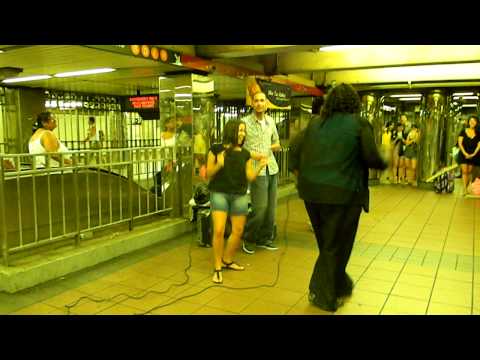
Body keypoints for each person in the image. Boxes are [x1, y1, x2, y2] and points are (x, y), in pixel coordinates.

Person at [288, 83, 387, 312]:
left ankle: (340, 284)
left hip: (312, 194)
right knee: (337, 246)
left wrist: (302, 175)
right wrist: (385, 161)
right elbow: (371, 157)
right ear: (354, 103)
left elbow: (293, 150)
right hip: (344, 195)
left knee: (327, 245)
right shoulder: (359, 124)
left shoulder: (314, 124)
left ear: (330, 102)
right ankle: (324, 295)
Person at [207, 119, 267, 283]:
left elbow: (249, 177)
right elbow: (208, 173)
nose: (243, 133)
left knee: (238, 231)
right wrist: (219, 164)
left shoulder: (245, 153)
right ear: (231, 130)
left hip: (239, 194)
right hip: (219, 193)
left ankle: (227, 260)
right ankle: (217, 267)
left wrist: (260, 166)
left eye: (244, 130)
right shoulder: (216, 149)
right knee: (219, 230)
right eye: (240, 130)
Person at [241, 91, 281, 254]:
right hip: (257, 170)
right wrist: (254, 155)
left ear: (266, 103)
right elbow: (240, 147)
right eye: (256, 100)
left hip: (272, 167)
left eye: (262, 100)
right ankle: (249, 238)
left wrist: (269, 148)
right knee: (260, 208)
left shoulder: (271, 121)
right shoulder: (244, 122)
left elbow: (277, 143)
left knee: (271, 208)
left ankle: (265, 238)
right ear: (252, 103)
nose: (259, 103)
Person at [457, 115, 480, 195]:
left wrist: (473, 154)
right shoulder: (463, 131)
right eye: (471, 121)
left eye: (474, 121)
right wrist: (465, 153)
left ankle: (468, 187)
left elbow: (479, 145)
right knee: (464, 171)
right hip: (463, 154)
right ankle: (464, 189)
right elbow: (460, 143)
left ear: (476, 123)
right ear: (468, 122)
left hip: (473, 155)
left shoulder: (478, 133)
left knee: (470, 171)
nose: (472, 122)